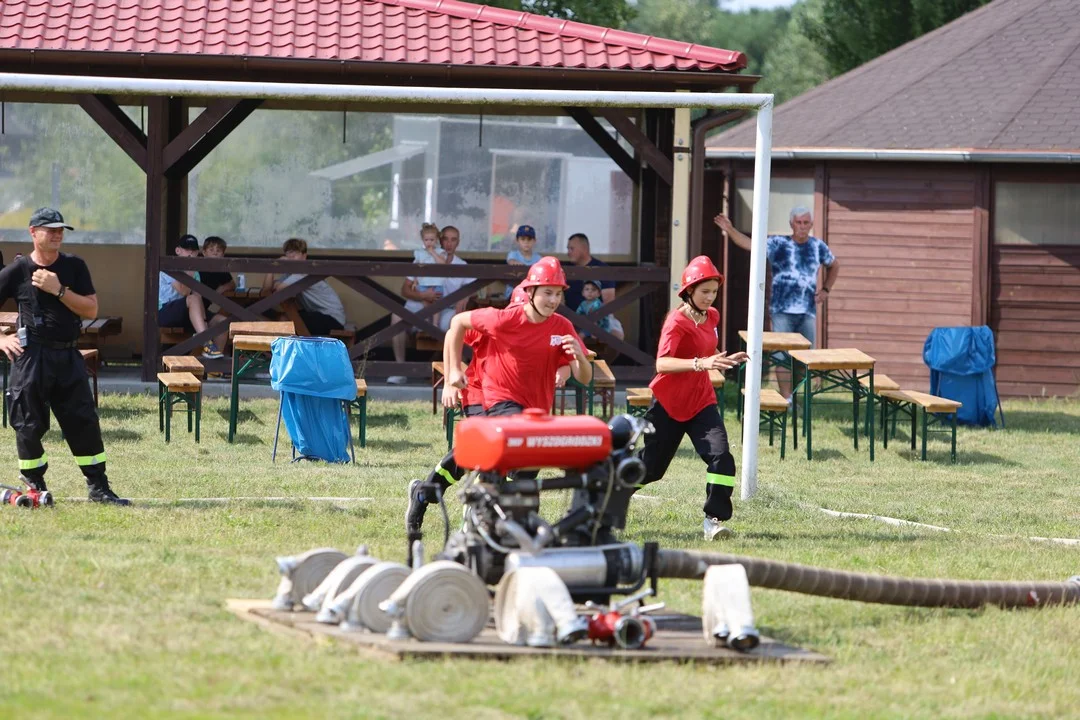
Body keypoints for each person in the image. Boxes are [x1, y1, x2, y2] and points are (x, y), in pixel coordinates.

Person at [405, 258, 592, 543]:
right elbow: (455, 327)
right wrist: (454, 374)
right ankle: (469, 515)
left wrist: (575, 358)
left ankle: (513, 530)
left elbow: (583, 375)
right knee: (487, 455)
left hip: (534, 412)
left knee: (517, 472)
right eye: (547, 293)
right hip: (489, 397)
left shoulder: (561, 326)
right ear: (528, 294)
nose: (553, 300)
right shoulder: (502, 320)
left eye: (558, 294)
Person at [0, 208, 129, 505]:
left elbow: (91, 310)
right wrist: (2, 338)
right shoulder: (16, 271)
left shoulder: (74, 266)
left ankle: (98, 487)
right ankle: (34, 485)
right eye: (51, 229)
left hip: (68, 356)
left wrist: (59, 290)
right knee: (28, 423)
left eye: (61, 230)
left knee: (83, 420)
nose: (58, 234)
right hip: (31, 357)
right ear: (33, 232)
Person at [635, 256, 747, 540]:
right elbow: (662, 364)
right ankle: (608, 490)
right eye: (704, 292)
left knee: (721, 457)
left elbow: (709, 347)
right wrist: (701, 363)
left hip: (701, 401)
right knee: (651, 470)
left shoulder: (713, 317)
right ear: (688, 292)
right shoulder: (676, 321)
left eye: (714, 291)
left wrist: (722, 358)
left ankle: (714, 521)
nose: (710, 298)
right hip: (668, 404)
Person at [714, 207, 839, 399]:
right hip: (781, 310)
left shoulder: (818, 246)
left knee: (804, 358)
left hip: (807, 311)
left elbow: (834, 265)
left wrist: (825, 290)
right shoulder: (779, 244)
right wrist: (730, 230)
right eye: (799, 222)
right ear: (791, 224)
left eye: (806, 223)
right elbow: (751, 245)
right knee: (782, 357)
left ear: (811, 225)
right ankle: (787, 399)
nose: (802, 227)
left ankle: (799, 399)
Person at [388, 223, 450, 384]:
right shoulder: (419, 256)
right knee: (396, 317)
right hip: (419, 300)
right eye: (426, 239)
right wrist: (422, 294)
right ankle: (400, 369)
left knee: (454, 321)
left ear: (437, 240)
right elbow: (406, 288)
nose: (429, 242)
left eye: (432, 239)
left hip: (442, 305)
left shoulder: (444, 257)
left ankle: (448, 373)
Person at [261, 238, 347, 336]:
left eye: (295, 252)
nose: (291, 256)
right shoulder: (291, 274)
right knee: (282, 318)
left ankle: (281, 350)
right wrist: (272, 267)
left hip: (332, 319)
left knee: (284, 320)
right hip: (318, 315)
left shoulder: (303, 272)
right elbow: (266, 290)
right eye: (288, 252)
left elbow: (278, 289)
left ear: (304, 256)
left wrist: (277, 285)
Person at [158, 234, 224, 359]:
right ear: (178, 251)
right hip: (165, 311)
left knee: (222, 322)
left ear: (197, 252)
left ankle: (214, 368)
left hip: (188, 312)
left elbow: (198, 296)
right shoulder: (170, 266)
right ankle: (206, 342)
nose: (190, 253)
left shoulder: (195, 272)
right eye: (187, 249)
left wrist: (204, 321)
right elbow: (184, 291)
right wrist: (190, 272)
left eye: (193, 250)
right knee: (192, 299)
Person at [565, 233, 624, 340]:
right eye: (568, 249)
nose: (568, 252)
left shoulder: (602, 268)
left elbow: (609, 303)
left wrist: (595, 320)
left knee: (617, 334)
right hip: (571, 318)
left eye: (571, 248)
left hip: (599, 318)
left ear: (584, 248)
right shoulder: (566, 270)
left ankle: (605, 357)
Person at [198, 235, 234, 354]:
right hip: (191, 311)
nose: (215, 253)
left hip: (205, 312)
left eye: (218, 251)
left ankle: (215, 361)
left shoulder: (220, 269)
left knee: (224, 322)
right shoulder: (197, 266)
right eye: (211, 250)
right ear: (204, 252)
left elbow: (231, 284)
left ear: (223, 254)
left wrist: (220, 289)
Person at [438, 225, 474, 317]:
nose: (449, 244)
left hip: (449, 310)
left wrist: (465, 296)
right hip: (427, 308)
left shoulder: (462, 265)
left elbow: (475, 287)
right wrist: (422, 295)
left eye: (453, 240)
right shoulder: (427, 259)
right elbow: (406, 290)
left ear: (458, 243)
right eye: (446, 239)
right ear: (440, 240)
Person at [504, 224, 540, 297]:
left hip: (532, 293)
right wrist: (516, 263)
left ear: (534, 241)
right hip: (513, 293)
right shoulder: (513, 254)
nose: (526, 242)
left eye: (529, 239)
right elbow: (511, 261)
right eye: (523, 239)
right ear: (517, 240)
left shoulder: (538, 258)